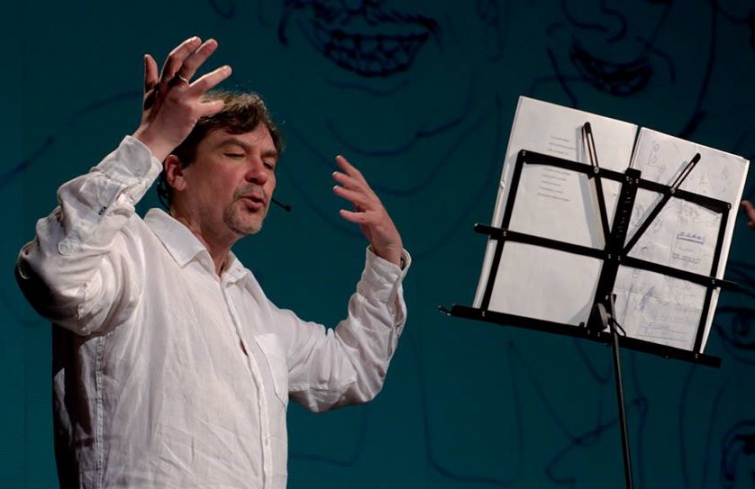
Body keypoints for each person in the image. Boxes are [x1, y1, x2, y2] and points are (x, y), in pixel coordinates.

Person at [14, 36, 410, 489]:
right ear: (176, 171)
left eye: (269, 163)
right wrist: (152, 140)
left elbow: (353, 369)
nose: (260, 174)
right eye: (235, 154)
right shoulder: (128, 255)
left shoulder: (256, 310)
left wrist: (386, 256)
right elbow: (53, 272)